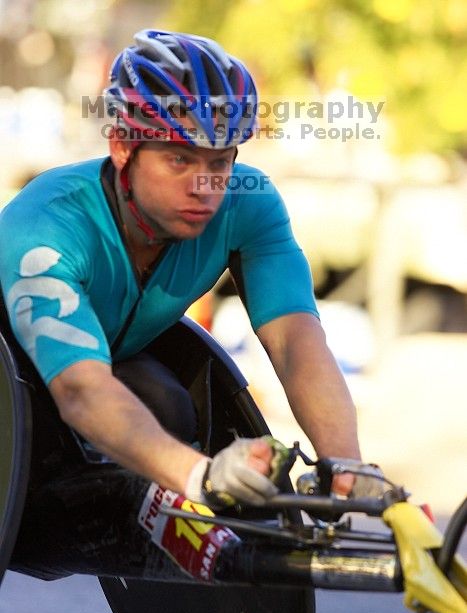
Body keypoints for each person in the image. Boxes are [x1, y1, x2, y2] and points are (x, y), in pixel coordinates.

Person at [0, 29, 371, 535]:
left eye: (220, 162)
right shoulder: (47, 224)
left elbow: (296, 343)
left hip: (97, 375)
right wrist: (201, 478)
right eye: (180, 159)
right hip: (18, 383)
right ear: (123, 146)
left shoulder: (247, 203)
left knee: (167, 403)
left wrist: (345, 463)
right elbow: (81, 390)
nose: (205, 187)